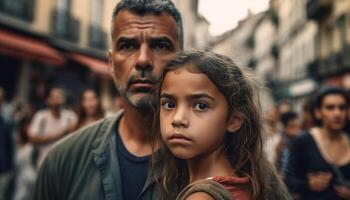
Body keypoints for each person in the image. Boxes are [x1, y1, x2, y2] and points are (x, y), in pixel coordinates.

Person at [31, 0, 183, 199]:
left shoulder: (207, 164)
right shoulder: (62, 161)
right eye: (128, 46)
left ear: (181, 60)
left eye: (161, 46)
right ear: (111, 63)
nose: (143, 60)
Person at [152, 50, 291, 200]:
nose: (178, 119)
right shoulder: (247, 182)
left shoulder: (202, 198)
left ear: (234, 120)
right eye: (169, 104)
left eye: (201, 106)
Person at [284, 87, 350, 199]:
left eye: (342, 107)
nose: (337, 113)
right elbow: (287, 181)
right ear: (318, 112)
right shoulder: (304, 141)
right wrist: (308, 184)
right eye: (330, 108)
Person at [27, 87, 77, 166]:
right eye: (54, 96)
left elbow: (76, 136)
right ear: (48, 100)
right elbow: (32, 138)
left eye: (60, 95)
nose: (58, 98)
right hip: (45, 161)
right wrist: (60, 134)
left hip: (65, 163)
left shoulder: (70, 116)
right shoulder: (41, 116)